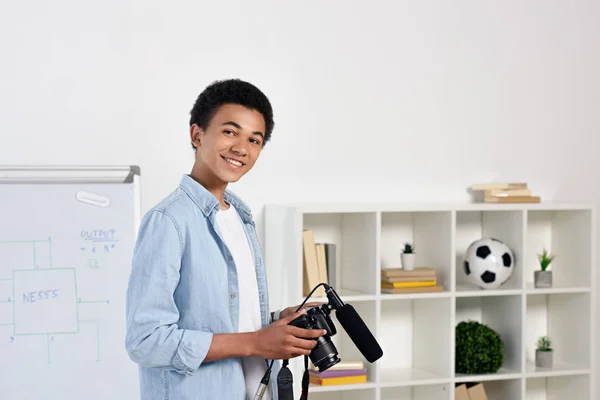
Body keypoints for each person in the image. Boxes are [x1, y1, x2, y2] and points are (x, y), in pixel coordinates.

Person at [125, 79, 326, 399]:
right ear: (197, 134)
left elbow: (226, 316)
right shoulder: (168, 221)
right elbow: (146, 341)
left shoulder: (242, 219)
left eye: (254, 139)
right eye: (230, 132)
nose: (241, 149)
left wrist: (276, 324)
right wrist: (254, 342)